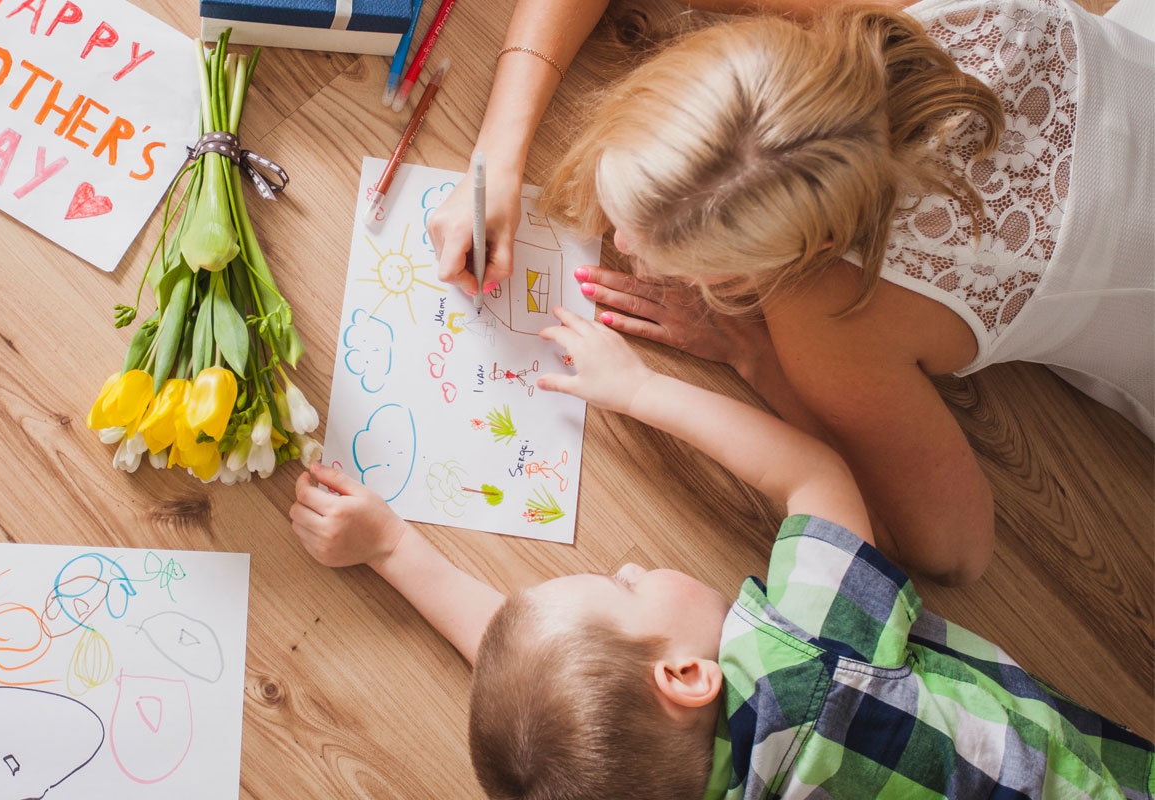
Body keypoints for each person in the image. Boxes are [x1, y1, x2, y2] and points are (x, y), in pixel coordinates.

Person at [426, 0, 1154, 587]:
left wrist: (755, 357)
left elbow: (954, 551)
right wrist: (493, 160)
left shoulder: (831, 310)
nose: (617, 242)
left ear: (776, 269)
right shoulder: (846, 44)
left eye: (655, 253)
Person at [289, 306, 1155, 800]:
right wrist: (639, 387)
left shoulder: (633, 775)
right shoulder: (816, 668)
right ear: (687, 677)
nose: (630, 565)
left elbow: (557, 712)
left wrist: (394, 547)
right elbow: (812, 475)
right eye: (623, 589)